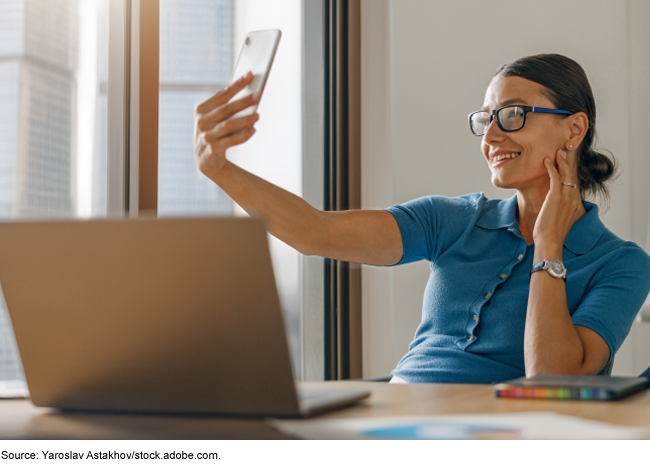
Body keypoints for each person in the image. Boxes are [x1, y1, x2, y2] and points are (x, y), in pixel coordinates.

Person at [193, 53, 650, 384]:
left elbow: (552, 377)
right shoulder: (451, 219)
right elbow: (316, 233)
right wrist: (218, 168)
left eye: (512, 115)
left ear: (574, 128)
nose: (490, 135)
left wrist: (548, 243)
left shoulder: (620, 264)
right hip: (397, 417)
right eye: (486, 118)